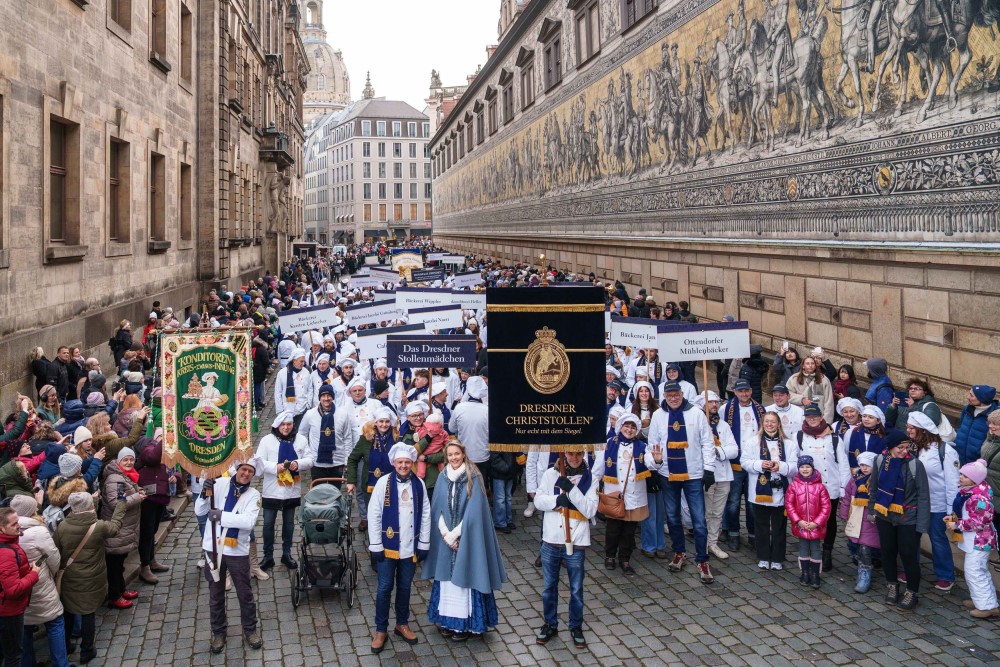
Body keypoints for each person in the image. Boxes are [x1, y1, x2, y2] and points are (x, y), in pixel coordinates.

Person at [422, 441, 506, 640]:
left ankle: (465, 625)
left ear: (463, 454)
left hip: (466, 539)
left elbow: (474, 512)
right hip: (446, 540)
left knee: (465, 579)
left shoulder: (473, 476)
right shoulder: (443, 477)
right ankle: (447, 621)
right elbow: (437, 507)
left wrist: (455, 534)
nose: (453, 458)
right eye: (450, 455)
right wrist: (444, 533)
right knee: (447, 581)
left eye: (456, 454)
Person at [644, 381, 716, 583]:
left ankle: (702, 559)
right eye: (669, 395)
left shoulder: (696, 414)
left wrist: (709, 469)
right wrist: (655, 464)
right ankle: (679, 551)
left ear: (682, 394)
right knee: (673, 517)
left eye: (676, 394)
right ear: (664, 396)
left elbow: (707, 443)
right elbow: (652, 445)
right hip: (668, 473)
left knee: (699, 521)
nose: (673, 398)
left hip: (693, 474)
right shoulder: (658, 415)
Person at [367, 443, 431, 654]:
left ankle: (401, 623)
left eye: (407, 462)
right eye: (400, 462)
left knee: (405, 587)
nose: (404, 465)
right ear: (393, 463)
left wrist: (423, 543)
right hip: (387, 547)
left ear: (412, 463)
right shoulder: (382, 483)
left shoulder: (419, 484)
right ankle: (380, 629)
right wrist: (375, 544)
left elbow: (425, 514)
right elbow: (374, 515)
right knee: (385, 588)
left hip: (410, 546)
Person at [533, 449, 598, 649]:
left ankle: (576, 626)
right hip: (552, 539)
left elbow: (590, 509)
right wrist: (556, 501)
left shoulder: (591, 478)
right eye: (570, 454)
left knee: (576, 588)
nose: (574, 458)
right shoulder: (550, 474)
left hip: (576, 540)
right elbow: (538, 501)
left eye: (579, 454)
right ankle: (550, 624)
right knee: (548, 587)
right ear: (564, 454)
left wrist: (571, 490)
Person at [197, 461, 263, 654]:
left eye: (250, 472)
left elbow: (248, 522)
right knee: (215, 594)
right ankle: (218, 633)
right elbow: (200, 511)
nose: (246, 474)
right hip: (213, 549)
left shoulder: (254, 495)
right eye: (243, 470)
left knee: (245, 594)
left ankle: (250, 630)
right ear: (237, 470)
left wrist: (219, 516)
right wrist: (203, 493)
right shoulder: (219, 484)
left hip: (237, 551)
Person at [54, 492, 127, 664]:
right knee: (88, 613)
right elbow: (115, 527)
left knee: (69, 612)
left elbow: (55, 550)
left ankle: (65, 645)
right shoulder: (98, 526)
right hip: (92, 578)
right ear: (90, 507)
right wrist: (121, 505)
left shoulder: (63, 526)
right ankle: (87, 649)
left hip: (70, 577)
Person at [868, 428, 930, 610]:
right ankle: (892, 586)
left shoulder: (915, 465)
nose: (905, 451)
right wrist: (873, 510)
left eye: (907, 447)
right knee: (887, 552)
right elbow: (875, 488)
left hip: (908, 518)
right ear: (890, 448)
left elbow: (923, 496)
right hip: (885, 516)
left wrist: (922, 525)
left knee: (908, 555)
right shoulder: (880, 461)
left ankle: (912, 591)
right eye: (900, 448)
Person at [11, 496, 71, 667]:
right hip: (40, 583)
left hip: (20, 589)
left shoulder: (9, 532)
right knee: (55, 621)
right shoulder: (39, 531)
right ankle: (60, 663)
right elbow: (53, 558)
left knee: (25, 628)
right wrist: (51, 575)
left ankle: (28, 663)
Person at [906, 411, 959, 592]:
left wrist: (952, 511)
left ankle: (946, 575)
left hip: (937, 504)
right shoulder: (914, 448)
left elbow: (953, 483)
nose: (908, 430)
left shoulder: (945, 451)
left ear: (922, 430)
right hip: (916, 502)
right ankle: (911, 570)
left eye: (912, 427)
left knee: (937, 539)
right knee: (911, 538)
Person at [255, 411, 312, 571]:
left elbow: (310, 459)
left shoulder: (301, 440)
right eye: (283, 425)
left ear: (293, 425)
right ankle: (268, 556)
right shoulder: (267, 441)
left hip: (291, 490)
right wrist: (275, 467)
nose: (286, 428)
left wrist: (298, 464)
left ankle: (286, 554)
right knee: (268, 524)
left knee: (288, 524)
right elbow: (259, 462)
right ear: (277, 425)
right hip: (272, 490)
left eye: (289, 424)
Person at [740, 411, 798, 570]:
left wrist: (781, 467)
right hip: (760, 491)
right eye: (767, 421)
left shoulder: (789, 444)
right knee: (761, 525)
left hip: (781, 491)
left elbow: (795, 467)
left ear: (779, 424)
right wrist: (760, 465)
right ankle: (763, 556)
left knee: (779, 526)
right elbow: (744, 462)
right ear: (762, 423)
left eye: (773, 422)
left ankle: (778, 558)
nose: (770, 424)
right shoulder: (753, 442)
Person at [796, 404, 849, 572]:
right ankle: (812, 550)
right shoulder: (800, 437)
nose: (812, 419)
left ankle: (827, 552)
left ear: (821, 417)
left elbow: (844, 465)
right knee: (809, 518)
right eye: (808, 416)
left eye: (815, 416)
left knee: (829, 521)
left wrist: (842, 489)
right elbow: (795, 462)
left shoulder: (834, 439)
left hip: (829, 486)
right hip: (807, 488)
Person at [944, 458, 999, 619]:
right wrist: (953, 520)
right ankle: (983, 600)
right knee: (977, 570)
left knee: (975, 571)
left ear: (975, 480)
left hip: (980, 541)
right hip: (976, 540)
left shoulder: (979, 499)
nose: (960, 477)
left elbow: (981, 521)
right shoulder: (969, 492)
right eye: (961, 474)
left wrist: (958, 525)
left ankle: (987, 606)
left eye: (965, 476)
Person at [602, 414, 651, 574]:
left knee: (629, 532)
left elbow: (651, 463)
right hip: (614, 494)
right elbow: (598, 468)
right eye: (626, 426)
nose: (629, 430)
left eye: (633, 427)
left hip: (634, 495)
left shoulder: (642, 446)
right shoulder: (610, 444)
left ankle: (625, 559)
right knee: (613, 529)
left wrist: (657, 461)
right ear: (620, 427)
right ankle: (610, 555)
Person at [721, 379, 765, 552]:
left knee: (752, 501)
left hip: (754, 462)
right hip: (735, 463)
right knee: (732, 501)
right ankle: (733, 533)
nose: (744, 394)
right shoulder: (727, 409)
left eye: (747, 391)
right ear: (735, 392)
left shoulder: (761, 410)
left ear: (751, 391)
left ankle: (753, 535)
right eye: (741, 391)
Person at [98, 448, 145, 609]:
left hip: (125, 527)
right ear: (119, 461)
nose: (129, 463)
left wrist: (137, 492)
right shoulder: (116, 479)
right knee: (115, 565)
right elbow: (117, 502)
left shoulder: (126, 476)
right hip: (118, 529)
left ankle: (121, 589)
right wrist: (137, 497)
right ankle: (115, 595)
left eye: (131, 459)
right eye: (125, 460)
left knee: (120, 563)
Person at [346, 407, 399, 536]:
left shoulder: (396, 438)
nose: (384, 425)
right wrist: (351, 481)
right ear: (375, 422)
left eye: (387, 422)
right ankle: (374, 545)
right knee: (374, 516)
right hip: (370, 485)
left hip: (391, 484)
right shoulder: (366, 438)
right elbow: (353, 459)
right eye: (381, 421)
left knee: (389, 515)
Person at [0, 506, 41, 667]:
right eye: (14, 524)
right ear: (2, 529)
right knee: (13, 656)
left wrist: (25, 570)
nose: (19, 526)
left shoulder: (9, 544)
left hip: (7, 609)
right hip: (9, 612)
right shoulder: (5, 553)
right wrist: (34, 574)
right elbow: (13, 590)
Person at [701, 392, 739, 560]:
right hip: (707, 474)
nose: (714, 405)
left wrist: (717, 450)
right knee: (706, 511)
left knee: (717, 512)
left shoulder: (723, 425)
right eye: (710, 402)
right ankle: (702, 543)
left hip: (724, 474)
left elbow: (734, 449)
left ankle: (713, 542)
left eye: (716, 402)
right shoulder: (700, 423)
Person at [786, 455, 832, 588]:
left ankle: (815, 574)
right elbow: (789, 505)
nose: (805, 469)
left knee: (816, 549)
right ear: (798, 469)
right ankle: (805, 573)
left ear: (812, 468)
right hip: (801, 525)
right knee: (803, 548)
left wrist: (817, 523)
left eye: (807, 467)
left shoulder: (820, 487)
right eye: (802, 467)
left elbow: (826, 507)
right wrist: (798, 521)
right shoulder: (794, 486)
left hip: (815, 526)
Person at [839, 451, 881, 593]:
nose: (864, 468)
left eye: (867, 465)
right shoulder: (854, 479)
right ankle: (862, 562)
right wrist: (844, 512)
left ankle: (865, 575)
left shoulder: (878, 480)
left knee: (866, 547)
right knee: (856, 546)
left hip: (870, 520)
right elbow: (847, 497)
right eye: (862, 465)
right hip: (856, 518)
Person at [136, 438, 173, 585]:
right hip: (148, 498)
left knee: (153, 530)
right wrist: (166, 436)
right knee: (147, 532)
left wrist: (174, 477)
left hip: (160, 497)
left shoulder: (164, 453)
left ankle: (151, 560)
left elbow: (173, 470)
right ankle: (144, 566)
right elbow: (153, 457)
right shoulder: (147, 448)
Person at [300, 385, 348, 485]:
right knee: (318, 494)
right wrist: (307, 454)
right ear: (319, 398)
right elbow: (301, 435)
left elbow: (347, 438)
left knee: (335, 494)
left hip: (337, 462)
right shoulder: (310, 414)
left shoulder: (343, 414)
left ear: (333, 397)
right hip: (317, 462)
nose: (326, 399)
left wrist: (347, 459)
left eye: (329, 395)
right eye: (323, 396)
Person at [448, 376, 490, 473]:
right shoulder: (487, 410)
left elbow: (452, 428)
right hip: (482, 455)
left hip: (464, 454)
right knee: (480, 484)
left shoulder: (459, 408)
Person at [954, 385, 998, 465]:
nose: (967, 397)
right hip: (959, 456)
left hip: (977, 462)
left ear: (982, 399)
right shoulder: (966, 409)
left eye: (971, 395)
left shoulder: (994, 416)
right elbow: (960, 427)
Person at [273, 349, 313, 432]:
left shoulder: (306, 372)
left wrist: (308, 405)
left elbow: (310, 389)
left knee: (301, 432)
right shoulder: (282, 373)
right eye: (301, 361)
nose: (303, 364)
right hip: (287, 409)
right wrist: (280, 411)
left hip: (302, 408)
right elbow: (278, 392)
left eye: (304, 361)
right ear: (294, 361)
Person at [787, 355, 835, 424]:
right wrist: (801, 400)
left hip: (818, 417)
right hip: (799, 416)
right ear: (803, 366)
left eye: (812, 363)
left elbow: (829, 402)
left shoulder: (824, 379)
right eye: (807, 363)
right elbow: (787, 395)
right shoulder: (794, 378)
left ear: (815, 365)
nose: (810, 365)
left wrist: (826, 422)